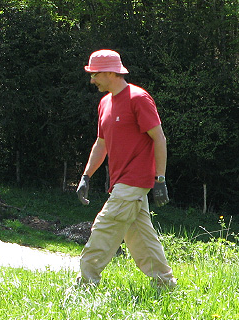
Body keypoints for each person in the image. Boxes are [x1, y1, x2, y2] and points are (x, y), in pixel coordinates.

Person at [75, 49, 177, 291]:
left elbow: (159, 139)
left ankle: (85, 285)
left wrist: (160, 179)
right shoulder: (105, 103)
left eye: (95, 74)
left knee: (104, 228)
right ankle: (165, 284)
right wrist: (86, 176)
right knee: (140, 237)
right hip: (121, 182)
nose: (92, 80)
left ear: (111, 72)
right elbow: (102, 144)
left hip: (134, 180)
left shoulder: (138, 98)